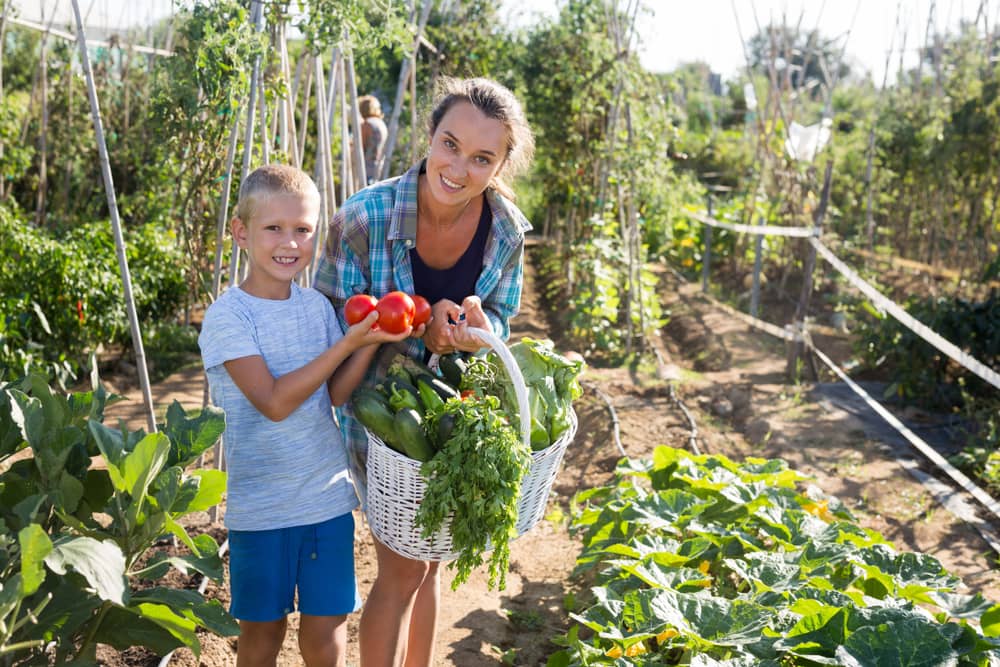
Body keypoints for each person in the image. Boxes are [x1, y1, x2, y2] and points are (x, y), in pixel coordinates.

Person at [314, 77, 535, 667]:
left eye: (482, 158)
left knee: (430, 559)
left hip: (452, 410)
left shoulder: (507, 232)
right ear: (430, 137)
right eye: (450, 144)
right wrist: (414, 330)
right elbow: (329, 334)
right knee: (404, 566)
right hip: (381, 413)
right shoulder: (362, 220)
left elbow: (502, 327)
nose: (459, 168)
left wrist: (474, 335)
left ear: (501, 164)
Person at [198, 164, 410, 667]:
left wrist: (366, 344)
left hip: (326, 500)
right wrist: (348, 343)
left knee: (326, 633)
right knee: (262, 635)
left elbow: (333, 395)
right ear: (241, 231)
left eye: (303, 229)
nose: (289, 242)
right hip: (262, 509)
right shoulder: (228, 317)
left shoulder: (316, 307)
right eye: (273, 228)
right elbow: (273, 402)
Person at [359, 94, 388, 184]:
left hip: (366, 168)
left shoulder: (366, 124)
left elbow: (361, 147)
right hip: (379, 166)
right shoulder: (381, 123)